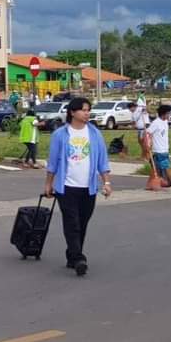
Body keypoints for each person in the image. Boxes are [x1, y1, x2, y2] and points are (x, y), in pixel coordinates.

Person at [44, 97, 112, 277]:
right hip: (66, 187)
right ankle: (79, 258)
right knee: (71, 223)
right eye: (83, 110)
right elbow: (53, 162)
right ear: (72, 112)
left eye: (88, 110)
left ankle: (72, 255)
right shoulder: (60, 134)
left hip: (88, 188)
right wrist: (49, 184)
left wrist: (106, 183)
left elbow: (102, 161)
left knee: (82, 223)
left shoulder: (95, 134)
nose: (87, 113)